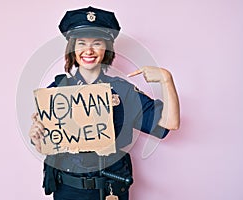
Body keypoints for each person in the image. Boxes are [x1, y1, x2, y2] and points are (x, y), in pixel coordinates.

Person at [29, 6, 180, 200]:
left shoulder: (123, 90)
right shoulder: (57, 90)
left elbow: (169, 124)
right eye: (81, 43)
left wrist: (166, 79)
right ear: (73, 49)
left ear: (106, 49)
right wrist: (37, 136)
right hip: (67, 189)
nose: (89, 50)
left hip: (110, 188)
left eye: (97, 43)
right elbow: (45, 146)